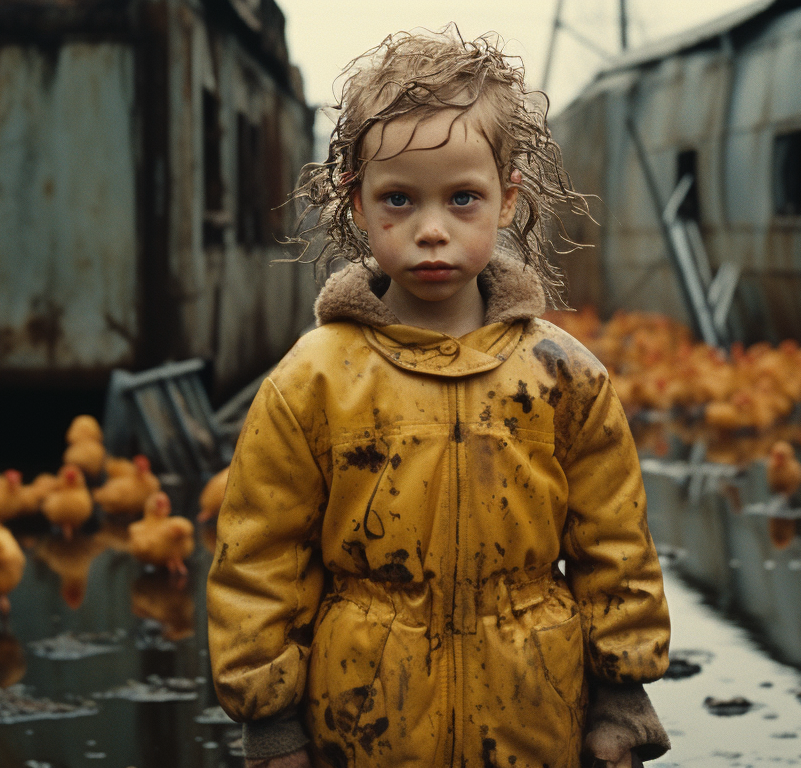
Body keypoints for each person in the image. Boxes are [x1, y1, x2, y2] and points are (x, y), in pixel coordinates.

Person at [208, 26, 671, 768]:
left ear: (506, 198)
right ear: (357, 204)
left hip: (533, 716)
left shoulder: (563, 377)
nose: (431, 230)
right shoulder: (315, 379)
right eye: (399, 199)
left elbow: (615, 544)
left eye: (462, 198)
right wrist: (270, 721)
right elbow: (261, 553)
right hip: (364, 719)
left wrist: (622, 693)